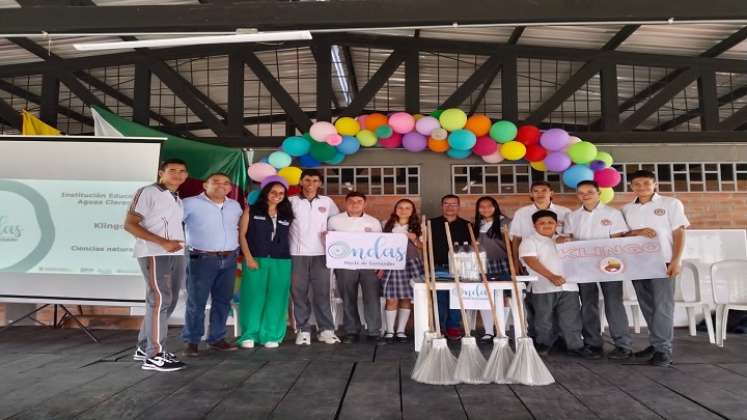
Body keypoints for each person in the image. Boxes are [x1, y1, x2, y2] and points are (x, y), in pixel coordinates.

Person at [124, 158, 188, 372]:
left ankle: (145, 347)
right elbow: (129, 224)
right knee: (159, 300)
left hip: (175, 253)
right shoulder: (148, 191)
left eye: (182, 171)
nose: (177, 174)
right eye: (172, 171)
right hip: (155, 253)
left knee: (167, 301)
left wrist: (174, 246)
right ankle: (154, 355)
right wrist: (162, 243)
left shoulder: (176, 197)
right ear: (161, 172)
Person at [622, 170, 689, 367]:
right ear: (631, 187)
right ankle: (656, 343)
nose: (641, 187)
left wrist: (676, 260)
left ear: (655, 184)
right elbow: (623, 235)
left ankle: (663, 350)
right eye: (637, 184)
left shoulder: (670, 204)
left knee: (663, 306)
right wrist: (638, 231)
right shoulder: (627, 209)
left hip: (664, 261)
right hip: (638, 263)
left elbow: (679, 232)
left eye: (646, 183)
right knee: (647, 305)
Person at [561, 180, 632, 360]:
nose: (585, 195)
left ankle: (623, 344)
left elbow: (618, 240)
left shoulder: (613, 213)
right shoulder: (572, 216)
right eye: (581, 192)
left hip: (609, 266)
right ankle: (593, 343)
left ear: (599, 192)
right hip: (583, 267)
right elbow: (569, 239)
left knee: (613, 303)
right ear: (577, 195)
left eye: (589, 191)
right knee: (587, 304)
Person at [181, 173, 243, 357]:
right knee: (196, 302)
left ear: (230, 188)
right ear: (205, 184)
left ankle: (217, 338)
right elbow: (172, 223)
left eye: (226, 183)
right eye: (215, 182)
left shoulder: (235, 206)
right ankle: (192, 341)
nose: (221, 185)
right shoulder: (189, 203)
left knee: (223, 301)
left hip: (230, 258)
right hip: (201, 259)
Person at [518, 210, 593, 358]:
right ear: (534, 226)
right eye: (542, 223)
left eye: (550, 222)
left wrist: (568, 243)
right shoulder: (529, 241)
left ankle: (575, 345)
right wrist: (551, 276)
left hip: (569, 286)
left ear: (556, 224)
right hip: (543, 286)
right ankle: (543, 344)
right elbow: (531, 261)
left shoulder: (564, 240)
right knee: (543, 319)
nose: (546, 225)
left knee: (571, 318)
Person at [509, 181, 571, 340]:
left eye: (544, 190)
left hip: (561, 267)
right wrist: (515, 264)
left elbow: (572, 237)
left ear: (552, 193)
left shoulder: (565, 212)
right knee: (538, 306)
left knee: (566, 309)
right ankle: (540, 340)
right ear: (531, 194)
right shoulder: (522, 213)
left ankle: (563, 339)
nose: (540, 193)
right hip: (532, 263)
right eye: (536, 191)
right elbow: (515, 239)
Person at [236, 181, 294, 348]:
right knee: (253, 296)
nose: (277, 196)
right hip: (256, 259)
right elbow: (242, 235)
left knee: (277, 297)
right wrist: (248, 257)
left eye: (281, 193)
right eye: (273, 192)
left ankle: (271, 335)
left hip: (281, 260)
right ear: (266, 193)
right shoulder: (252, 210)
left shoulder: (286, 214)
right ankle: (249, 334)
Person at [289, 169, 340, 345]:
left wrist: (331, 233)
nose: (311, 184)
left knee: (322, 293)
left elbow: (335, 224)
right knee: (299, 293)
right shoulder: (290, 201)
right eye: (308, 180)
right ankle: (303, 329)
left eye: (315, 181)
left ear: (320, 184)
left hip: (322, 255)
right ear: (301, 182)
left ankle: (326, 329)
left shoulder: (327, 202)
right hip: (297, 254)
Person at [328, 191, 383, 343]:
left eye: (359, 201)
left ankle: (373, 331)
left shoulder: (373, 222)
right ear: (346, 203)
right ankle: (351, 331)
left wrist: (381, 266)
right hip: (344, 266)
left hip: (369, 266)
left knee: (372, 298)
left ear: (364, 204)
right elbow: (329, 243)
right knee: (348, 298)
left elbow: (380, 246)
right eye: (351, 201)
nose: (355, 204)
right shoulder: (334, 221)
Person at [379, 199, 423, 343]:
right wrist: (380, 267)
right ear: (395, 209)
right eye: (400, 207)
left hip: (411, 264)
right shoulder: (386, 224)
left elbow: (425, 247)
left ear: (412, 211)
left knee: (406, 298)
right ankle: (390, 330)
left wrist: (415, 239)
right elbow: (378, 245)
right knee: (391, 299)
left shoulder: (419, 226)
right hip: (391, 264)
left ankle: (401, 331)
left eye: (407, 208)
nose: (403, 210)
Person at [430, 194, 471, 340]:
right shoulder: (431, 223)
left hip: (460, 267)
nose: (450, 206)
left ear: (459, 206)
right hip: (438, 266)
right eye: (446, 203)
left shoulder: (467, 225)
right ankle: (439, 326)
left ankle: (453, 326)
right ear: (442, 206)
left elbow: (472, 247)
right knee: (440, 298)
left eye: (453, 204)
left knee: (457, 298)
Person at [472, 196, 511, 342]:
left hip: (503, 263)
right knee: (485, 297)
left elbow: (513, 244)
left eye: (489, 206)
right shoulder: (476, 225)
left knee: (504, 297)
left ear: (495, 207)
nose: (485, 209)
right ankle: (488, 331)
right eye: (482, 206)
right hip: (482, 265)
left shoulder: (505, 222)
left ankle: (502, 330)